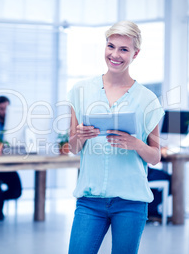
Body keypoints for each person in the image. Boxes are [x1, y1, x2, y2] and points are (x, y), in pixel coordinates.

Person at [67, 21, 165, 254]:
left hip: (130, 202)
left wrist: (136, 143)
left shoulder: (148, 99)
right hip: (90, 201)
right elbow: (72, 147)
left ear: (135, 53)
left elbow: (155, 157)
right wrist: (80, 136)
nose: (115, 54)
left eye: (124, 49)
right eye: (111, 46)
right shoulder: (80, 91)